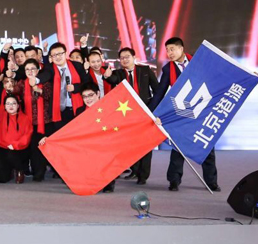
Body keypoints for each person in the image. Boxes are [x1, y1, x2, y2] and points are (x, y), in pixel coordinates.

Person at [149, 37, 219, 192]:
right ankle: (174, 181)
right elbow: (160, 92)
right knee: (178, 148)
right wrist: (151, 112)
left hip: (201, 111)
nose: (169, 53)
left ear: (181, 48)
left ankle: (211, 182)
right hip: (181, 112)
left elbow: (219, 75)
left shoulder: (198, 61)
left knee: (206, 146)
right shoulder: (168, 69)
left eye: (172, 49)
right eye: (167, 50)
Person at [105, 46, 159, 186]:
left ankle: (143, 176)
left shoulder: (145, 70)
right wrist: (107, 76)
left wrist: (152, 109)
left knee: (146, 145)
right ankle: (135, 170)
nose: (124, 60)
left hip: (145, 112)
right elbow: (112, 80)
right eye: (122, 58)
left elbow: (157, 90)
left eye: (127, 57)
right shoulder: (118, 73)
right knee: (129, 145)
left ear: (134, 57)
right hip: (127, 114)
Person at [12, 58, 51, 181]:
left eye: (33, 68)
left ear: (38, 70)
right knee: (31, 148)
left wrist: (38, 89)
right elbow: (13, 92)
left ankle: (40, 172)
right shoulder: (22, 84)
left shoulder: (45, 83)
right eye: (27, 69)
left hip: (44, 122)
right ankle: (31, 171)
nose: (30, 71)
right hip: (28, 122)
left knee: (41, 148)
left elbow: (49, 96)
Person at [76, 82, 115, 192]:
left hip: (106, 143)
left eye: (90, 95)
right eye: (84, 96)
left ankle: (109, 182)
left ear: (98, 93)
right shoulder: (80, 111)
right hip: (87, 144)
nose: (88, 99)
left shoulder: (108, 108)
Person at [0, 94, 32, 184]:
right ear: (4, 106)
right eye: (8, 104)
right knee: (2, 179)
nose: (11, 106)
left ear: (18, 105)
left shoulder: (25, 118)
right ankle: (10, 169)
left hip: (18, 149)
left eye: (13, 103)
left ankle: (20, 170)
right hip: (2, 148)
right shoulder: (1, 116)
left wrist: (15, 145)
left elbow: (27, 135)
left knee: (12, 154)